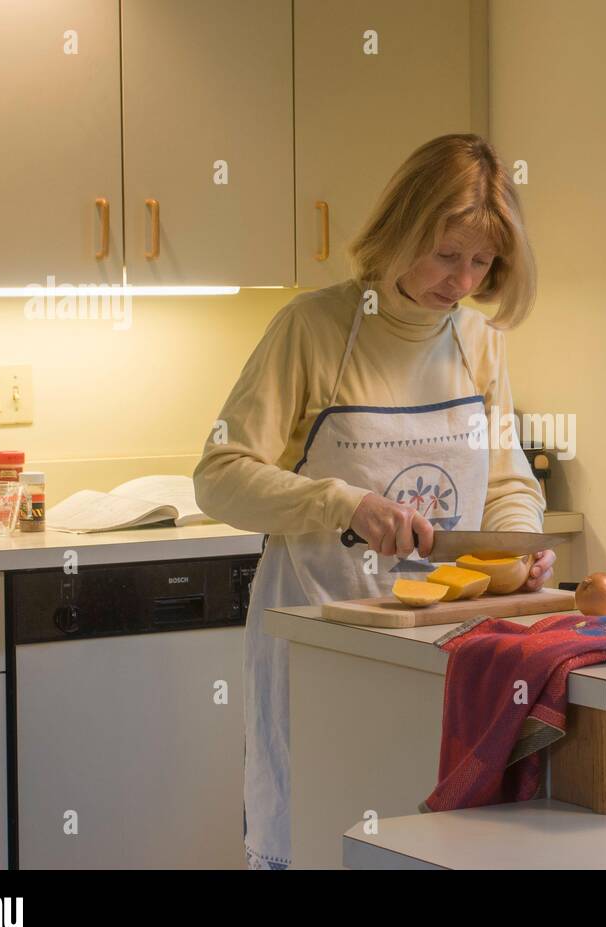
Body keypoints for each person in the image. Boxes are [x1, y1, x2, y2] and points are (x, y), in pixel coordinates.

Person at [193, 133, 551, 869]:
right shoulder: (312, 328)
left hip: (442, 647)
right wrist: (342, 504)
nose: (462, 280)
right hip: (321, 639)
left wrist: (519, 549)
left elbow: (508, 478)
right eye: (447, 254)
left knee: (420, 843)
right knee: (314, 834)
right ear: (401, 230)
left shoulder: (480, 340)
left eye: (482, 262)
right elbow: (219, 474)